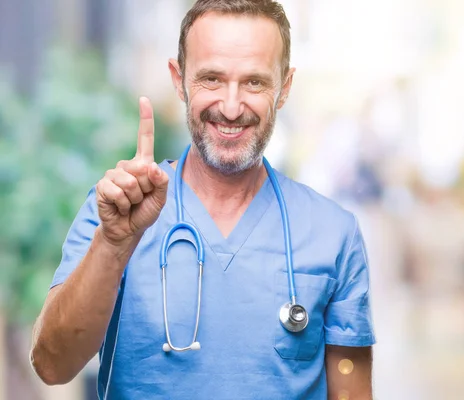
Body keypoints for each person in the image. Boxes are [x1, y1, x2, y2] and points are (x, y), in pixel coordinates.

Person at [29, 1, 376, 399]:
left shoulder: (334, 234)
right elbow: (52, 365)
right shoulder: (116, 211)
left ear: (284, 87)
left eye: (254, 82)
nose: (230, 107)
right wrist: (112, 244)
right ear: (179, 80)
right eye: (211, 79)